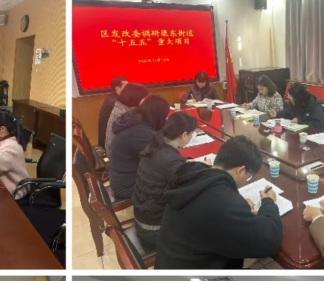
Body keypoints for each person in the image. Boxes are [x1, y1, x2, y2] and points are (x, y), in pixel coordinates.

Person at [156, 136, 283, 269]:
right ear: (240, 170)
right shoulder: (224, 204)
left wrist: (237, 204)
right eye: (249, 176)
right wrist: (269, 202)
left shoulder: (191, 175)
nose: (246, 181)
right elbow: (270, 240)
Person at [132, 110, 198, 246]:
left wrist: (185, 164)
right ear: (184, 135)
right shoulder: (171, 161)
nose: (192, 137)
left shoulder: (156, 144)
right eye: (192, 133)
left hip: (143, 217)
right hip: (154, 230)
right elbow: (191, 191)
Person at [109, 95, 171, 200]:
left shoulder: (134, 120)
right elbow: (160, 159)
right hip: (128, 186)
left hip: (122, 178)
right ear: (158, 115)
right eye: (164, 116)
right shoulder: (141, 132)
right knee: (177, 185)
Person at [104, 82, 149, 155]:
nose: (146, 101)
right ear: (136, 98)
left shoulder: (120, 106)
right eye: (144, 98)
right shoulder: (126, 115)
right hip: (118, 156)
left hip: (114, 152)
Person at [98, 76, 128, 150]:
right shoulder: (115, 104)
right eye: (126, 87)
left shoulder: (111, 98)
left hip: (108, 142)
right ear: (117, 88)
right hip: (109, 146)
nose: (129, 89)